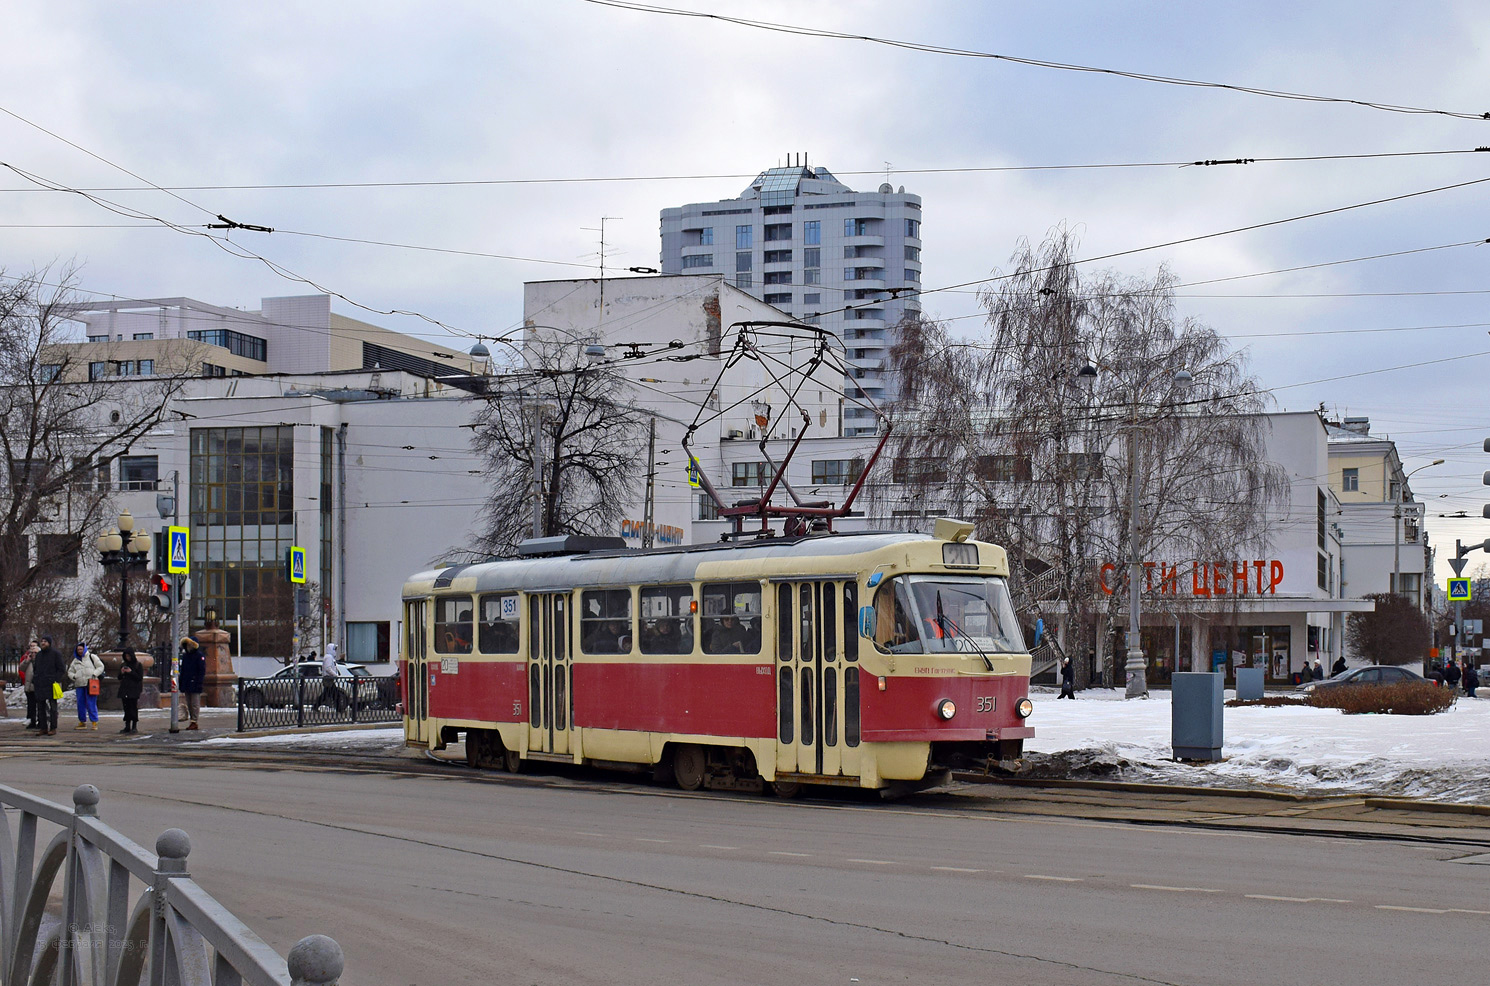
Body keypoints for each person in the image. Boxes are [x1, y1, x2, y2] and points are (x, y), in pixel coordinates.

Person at [31, 635, 66, 735]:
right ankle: (43, 727)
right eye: (42, 641)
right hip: (40, 684)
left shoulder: (55, 654)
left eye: (45, 641)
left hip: (51, 684)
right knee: (41, 708)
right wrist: (36, 679)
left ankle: (53, 727)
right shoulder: (39, 655)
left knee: (53, 707)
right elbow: (36, 668)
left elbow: (61, 669)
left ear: (49, 643)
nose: (43, 643)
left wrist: (55, 679)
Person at [68, 642, 104, 730]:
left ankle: (94, 722)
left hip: (91, 684)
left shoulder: (92, 657)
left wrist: (94, 674)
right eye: (78, 649)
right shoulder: (75, 660)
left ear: (85, 649)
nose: (80, 651)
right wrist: (74, 677)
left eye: (81, 649)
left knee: (91, 703)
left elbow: (100, 666)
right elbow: (70, 671)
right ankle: (82, 722)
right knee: (80, 704)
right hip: (79, 684)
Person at [178, 637, 206, 729]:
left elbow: (201, 671)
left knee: (194, 703)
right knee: (189, 703)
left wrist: (198, 682)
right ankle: (192, 720)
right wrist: (181, 683)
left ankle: (194, 721)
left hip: (194, 683)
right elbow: (183, 671)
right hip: (187, 683)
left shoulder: (198, 656)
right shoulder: (186, 656)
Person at [117, 647, 144, 733]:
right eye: (126, 656)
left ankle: (134, 726)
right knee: (126, 707)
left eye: (129, 656)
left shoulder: (138, 665)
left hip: (134, 689)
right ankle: (127, 725)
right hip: (125, 688)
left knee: (133, 707)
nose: (128, 658)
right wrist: (122, 672)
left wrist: (131, 672)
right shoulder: (123, 664)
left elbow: (139, 677)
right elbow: (119, 677)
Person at [313, 645, 343, 711]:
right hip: (328, 678)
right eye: (334, 649)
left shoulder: (329, 657)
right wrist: (335, 675)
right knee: (335, 694)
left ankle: (315, 706)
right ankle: (339, 709)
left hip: (329, 678)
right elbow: (328, 668)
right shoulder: (329, 657)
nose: (335, 651)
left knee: (327, 694)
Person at [19, 639, 39, 729]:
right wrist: (27, 660)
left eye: (34, 646)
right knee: (31, 704)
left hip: (38, 685)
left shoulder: (42, 656)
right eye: (31, 646)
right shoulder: (27, 657)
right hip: (29, 684)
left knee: (40, 704)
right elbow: (21, 668)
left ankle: (41, 721)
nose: (32, 648)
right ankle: (32, 720)